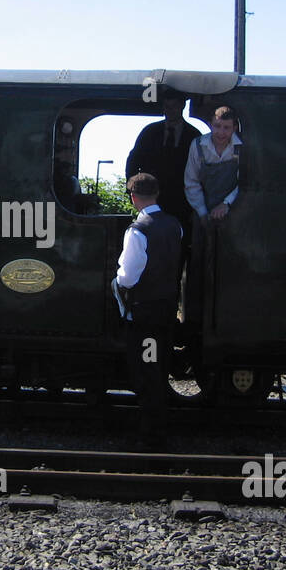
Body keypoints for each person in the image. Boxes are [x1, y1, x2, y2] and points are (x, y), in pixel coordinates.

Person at [112, 173, 182, 446]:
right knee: (158, 366)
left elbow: (128, 277)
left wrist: (115, 283)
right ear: (157, 193)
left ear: (133, 197)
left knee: (146, 370)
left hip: (144, 313)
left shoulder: (137, 230)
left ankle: (152, 433)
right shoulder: (175, 225)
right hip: (165, 308)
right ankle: (155, 426)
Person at [182, 106, 242, 330]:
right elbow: (191, 182)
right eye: (217, 126)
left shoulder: (242, 149)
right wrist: (203, 212)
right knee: (198, 264)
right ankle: (195, 322)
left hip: (234, 213)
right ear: (211, 124)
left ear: (234, 127)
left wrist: (226, 204)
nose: (221, 132)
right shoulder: (197, 146)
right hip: (202, 212)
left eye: (227, 128)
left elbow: (244, 182)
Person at [126, 95, 201, 227]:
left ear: (182, 106)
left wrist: (197, 206)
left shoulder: (194, 135)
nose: (170, 110)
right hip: (151, 200)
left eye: (174, 107)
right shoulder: (149, 132)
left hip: (183, 202)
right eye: (167, 106)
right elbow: (133, 161)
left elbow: (200, 172)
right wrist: (133, 190)